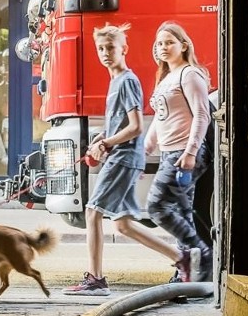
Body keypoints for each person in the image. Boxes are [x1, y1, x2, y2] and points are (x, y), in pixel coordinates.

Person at [63, 23, 194, 297]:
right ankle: (180, 258)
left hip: (123, 157)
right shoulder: (115, 82)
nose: (105, 53)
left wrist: (108, 143)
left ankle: (96, 280)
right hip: (120, 155)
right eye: (101, 48)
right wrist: (102, 139)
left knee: (92, 211)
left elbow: (136, 127)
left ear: (124, 49)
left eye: (111, 48)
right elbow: (118, 124)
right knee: (122, 224)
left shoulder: (127, 80)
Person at [144, 21, 213, 283]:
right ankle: (188, 276)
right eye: (160, 43)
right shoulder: (166, 78)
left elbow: (201, 114)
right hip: (169, 152)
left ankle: (200, 256)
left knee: (157, 206)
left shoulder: (190, 74)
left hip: (183, 153)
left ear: (184, 46)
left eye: (169, 42)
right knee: (181, 214)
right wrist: (145, 150)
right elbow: (160, 119)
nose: (163, 47)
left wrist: (191, 151)